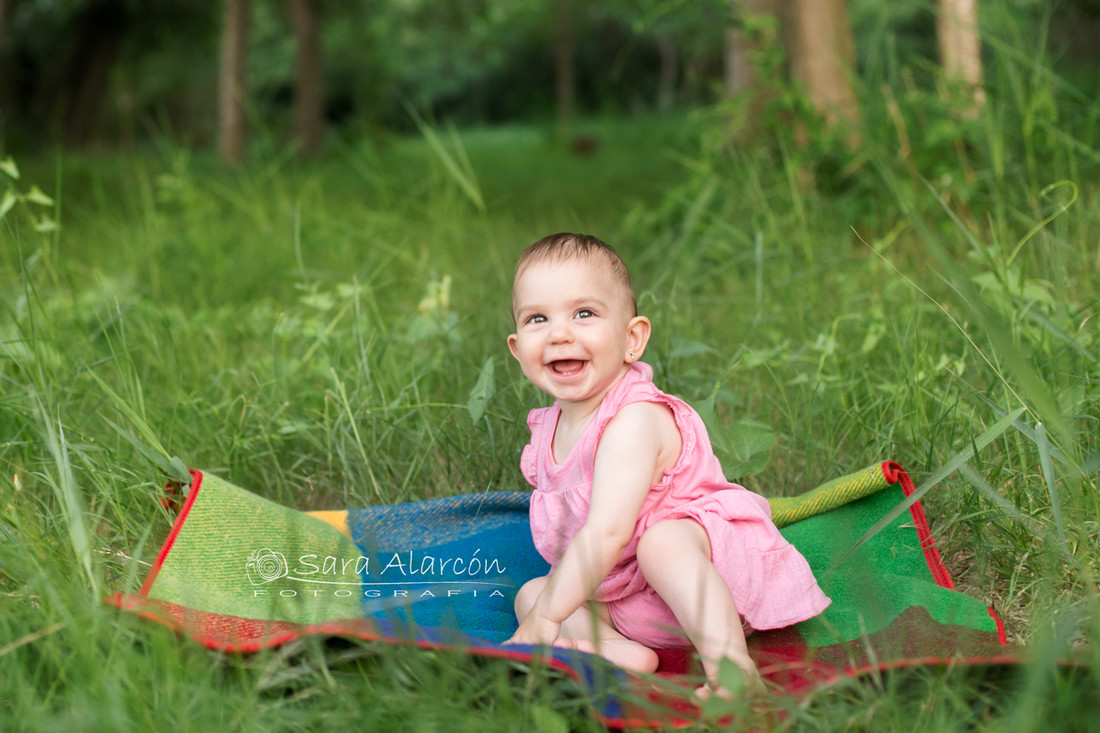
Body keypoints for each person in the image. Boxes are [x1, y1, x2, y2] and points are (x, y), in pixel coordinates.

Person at [503, 233, 831, 696]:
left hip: (703, 579)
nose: (559, 333)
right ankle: (619, 651)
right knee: (532, 594)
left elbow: (607, 533)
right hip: (627, 595)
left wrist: (547, 620)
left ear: (632, 338)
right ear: (518, 349)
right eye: (538, 318)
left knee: (660, 541)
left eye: (584, 313)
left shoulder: (634, 419)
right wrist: (544, 608)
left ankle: (732, 669)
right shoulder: (548, 431)